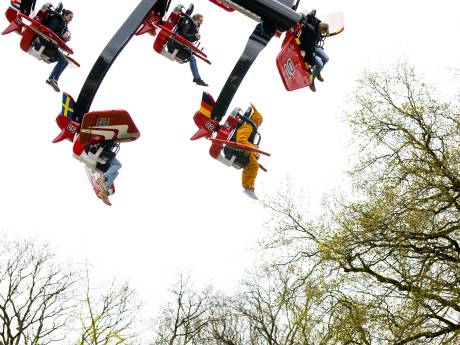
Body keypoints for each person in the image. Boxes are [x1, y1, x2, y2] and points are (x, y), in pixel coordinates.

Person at [235, 104, 263, 200]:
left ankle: (249, 187)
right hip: (238, 148)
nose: (260, 124)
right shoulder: (249, 126)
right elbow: (241, 140)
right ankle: (248, 187)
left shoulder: (250, 127)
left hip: (243, 149)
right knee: (253, 165)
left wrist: (254, 151)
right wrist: (254, 148)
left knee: (254, 164)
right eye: (260, 121)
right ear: (256, 119)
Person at [298, 9, 329, 92]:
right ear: (319, 29)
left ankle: (317, 72)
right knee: (319, 64)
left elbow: (310, 15)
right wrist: (312, 63)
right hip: (306, 47)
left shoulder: (316, 21)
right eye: (321, 32)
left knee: (326, 58)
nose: (321, 34)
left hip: (313, 46)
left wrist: (322, 34)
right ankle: (311, 80)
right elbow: (309, 50)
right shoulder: (312, 35)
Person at [85, 140, 122, 206]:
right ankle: (103, 178)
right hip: (99, 151)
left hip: (100, 151)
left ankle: (104, 191)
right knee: (118, 165)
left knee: (115, 172)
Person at [44, 9, 73, 92]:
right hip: (46, 44)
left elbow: (59, 39)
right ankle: (52, 79)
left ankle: (52, 79)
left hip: (52, 46)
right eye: (70, 17)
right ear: (65, 15)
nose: (71, 19)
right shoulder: (57, 19)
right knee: (63, 60)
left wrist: (65, 39)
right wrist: (62, 37)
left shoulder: (63, 25)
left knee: (66, 62)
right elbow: (51, 31)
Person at [177, 13, 208, 86]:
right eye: (200, 20)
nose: (201, 22)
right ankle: (197, 79)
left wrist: (195, 37)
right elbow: (182, 34)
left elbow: (188, 38)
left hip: (182, 46)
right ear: (196, 19)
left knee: (192, 59)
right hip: (177, 46)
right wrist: (194, 36)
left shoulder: (194, 28)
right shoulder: (189, 24)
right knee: (192, 59)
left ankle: (197, 78)